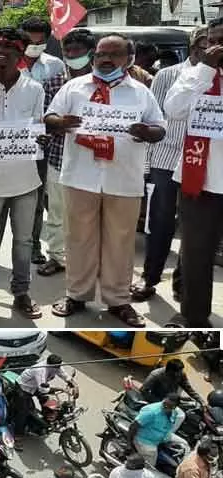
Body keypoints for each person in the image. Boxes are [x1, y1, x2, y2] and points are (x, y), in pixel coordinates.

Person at [46, 34, 166, 327]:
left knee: (120, 242)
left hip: (123, 179)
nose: (105, 59)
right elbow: (49, 117)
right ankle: (76, 295)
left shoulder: (140, 93)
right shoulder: (74, 87)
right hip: (80, 177)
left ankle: (118, 300)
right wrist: (60, 124)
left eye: (113, 54)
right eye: (100, 54)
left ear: (129, 58)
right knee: (79, 239)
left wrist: (148, 132)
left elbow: (160, 128)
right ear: (94, 56)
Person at [0, 27, 46, 319]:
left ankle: (21, 293)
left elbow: (38, 126)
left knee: (24, 241)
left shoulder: (34, 89)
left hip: (26, 178)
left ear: (20, 54)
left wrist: (41, 137)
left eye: (8, 47)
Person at [131, 28, 209, 303]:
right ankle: (149, 278)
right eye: (204, 43)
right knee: (159, 223)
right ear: (193, 46)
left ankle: (183, 284)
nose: (210, 49)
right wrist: (147, 165)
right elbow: (157, 117)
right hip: (166, 159)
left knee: (196, 228)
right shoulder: (168, 75)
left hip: (206, 164)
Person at [161, 17, 223, 327]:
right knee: (196, 258)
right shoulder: (195, 75)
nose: (217, 46)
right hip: (201, 183)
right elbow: (174, 110)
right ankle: (195, 319)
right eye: (212, 40)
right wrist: (206, 70)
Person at [39, 28, 97, 279]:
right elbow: (43, 119)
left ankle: (89, 260)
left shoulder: (103, 85)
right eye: (68, 51)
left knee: (90, 215)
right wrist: (58, 123)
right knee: (57, 212)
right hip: (59, 157)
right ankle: (56, 256)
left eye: (78, 52)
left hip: (94, 160)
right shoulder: (53, 82)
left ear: (90, 53)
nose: (72, 56)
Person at [17, 17, 66, 266]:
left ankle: (33, 246)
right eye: (29, 41)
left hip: (41, 141)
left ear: (46, 41)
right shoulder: (7, 62)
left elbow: (56, 106)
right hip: (9, 143)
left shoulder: (56, 66)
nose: (33, 46)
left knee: (34, 199)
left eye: (39, 42)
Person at [12, 355, 77, 443]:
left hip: (36, 387)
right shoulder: (40, 370)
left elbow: (64, 374)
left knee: (49, 403)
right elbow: (43, 389)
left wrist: (74, 385)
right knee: (23, 412)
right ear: (50, 365)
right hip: (23, 388)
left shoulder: (56, 365)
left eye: (59, 365)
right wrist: (60, 389)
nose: (59, 368)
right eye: (57, 366)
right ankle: (17, 435)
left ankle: (43, 423)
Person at [129, 394, 189, 466]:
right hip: (146, 441)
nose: (166, 407)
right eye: (165, 404)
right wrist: (129, 444)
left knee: (185, 445)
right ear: (163, 399)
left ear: (175, 407)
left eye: (169, 406)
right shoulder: (152, 411)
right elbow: (133, 426)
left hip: (164, 436)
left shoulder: (174, 412)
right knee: (151, 465)